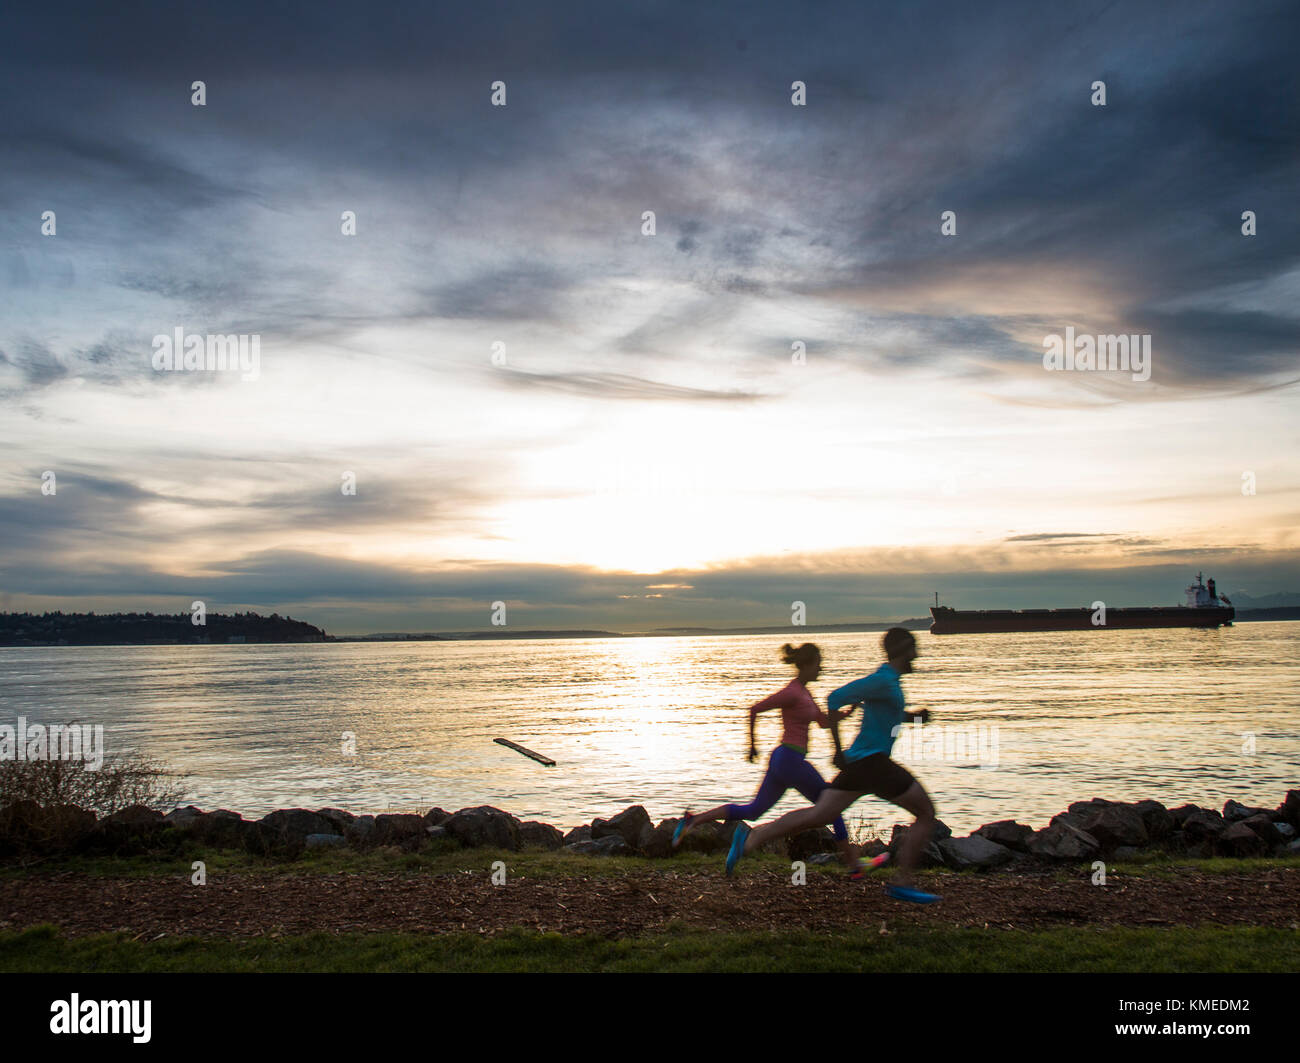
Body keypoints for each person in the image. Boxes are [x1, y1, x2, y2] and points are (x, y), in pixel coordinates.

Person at [724, 627, 941, 904]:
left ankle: (753, 837)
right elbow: (834, 698)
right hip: (873, 764)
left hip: (862, 766)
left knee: (819, 815)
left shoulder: (889, 683)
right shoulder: (883, 680)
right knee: (926, 813)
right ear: (902, 650)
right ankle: (902, 882)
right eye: (913, 649)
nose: (917, 655)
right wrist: (837, 750)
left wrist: (915, 719)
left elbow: (888, 714)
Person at [672, 642, 882, 876]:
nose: (821, 669)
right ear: (807, 665)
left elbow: (823, 722)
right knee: (832, 807)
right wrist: (752, 745)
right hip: (789, 759)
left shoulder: (805, 694)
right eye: (818, 665)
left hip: (784, 762)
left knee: (753, 811)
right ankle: (854, 865)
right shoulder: (792, 692)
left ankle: (694, 820)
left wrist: (848, 713)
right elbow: (755, 709)